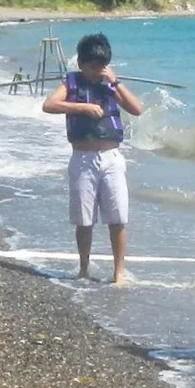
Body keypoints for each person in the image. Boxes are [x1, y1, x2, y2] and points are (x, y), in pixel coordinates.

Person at [42, 32, 144, 283]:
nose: (96, 72)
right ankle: (84, 268)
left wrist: (116, 83)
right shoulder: (71, 83)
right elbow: (49, 105)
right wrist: (81, 107)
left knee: (118, 218)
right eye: (92, 67)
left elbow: (137, 109)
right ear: (81, 64)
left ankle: (118, 273)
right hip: (83, 158)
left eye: (101, 67)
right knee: (84, 219)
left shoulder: (110, 83)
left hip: (111, 158)